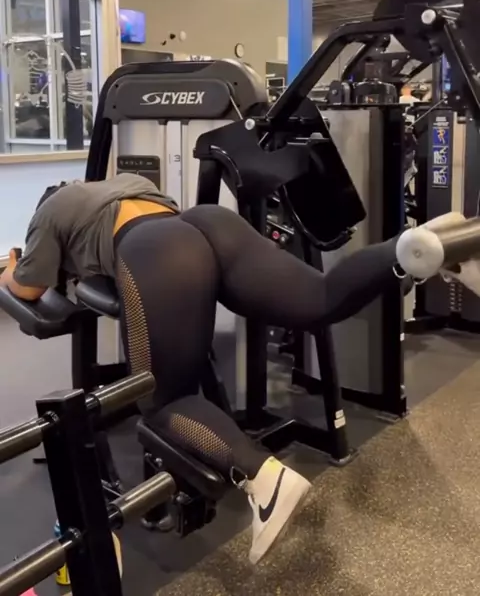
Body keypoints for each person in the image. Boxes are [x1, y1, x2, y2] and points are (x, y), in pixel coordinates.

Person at [0, 176, 461, 563]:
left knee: (163, 400)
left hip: (156, 249)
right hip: (208, 223)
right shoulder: (120, 184)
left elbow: (27, 287)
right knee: (319, 298)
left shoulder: (50, 212)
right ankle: (418, 247)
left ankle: (264, 480)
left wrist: (12, 269)